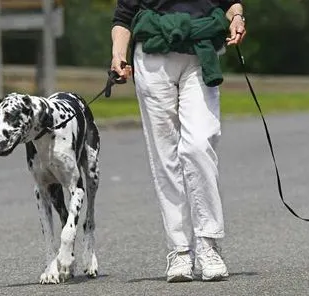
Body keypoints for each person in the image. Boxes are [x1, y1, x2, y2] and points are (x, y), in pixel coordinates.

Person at [111, 0, 246, 282]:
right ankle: (180, 250)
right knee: (165, 157)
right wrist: (118, 55)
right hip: (152, 57)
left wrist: (237, 17)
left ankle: (208, 244)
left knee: (198, 145)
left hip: (200, 52)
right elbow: (124, 14)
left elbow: (230, 2)